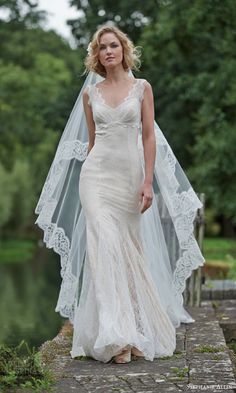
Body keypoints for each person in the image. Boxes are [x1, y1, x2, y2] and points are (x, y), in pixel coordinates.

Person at [34, 25, 205, 364]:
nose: (108, 51)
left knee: (129, 254)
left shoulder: (142, 88)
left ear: (124, 50)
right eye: (102, 47)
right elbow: (94, 142)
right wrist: (91, 172)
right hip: (95, 177)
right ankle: (116, 337)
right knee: (105, 249)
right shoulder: (90, 95)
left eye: (113, 45)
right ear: (96, 55)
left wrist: (146, 183)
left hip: (130, 180)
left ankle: (138, 328)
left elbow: (148, 139)